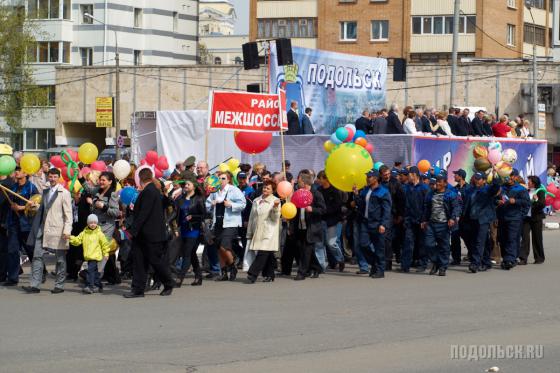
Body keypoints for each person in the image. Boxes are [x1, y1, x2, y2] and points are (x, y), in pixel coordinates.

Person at [124, 168, 175, 298]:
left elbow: (143, 214)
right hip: (146, 234)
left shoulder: (149, 192)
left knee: (155, 261)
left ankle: (168, 283)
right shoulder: (153, 191)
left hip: (150, 234)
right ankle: (138, 289)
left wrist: (132, 231)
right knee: (140, 262)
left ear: (140, 179)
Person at [23, 168, 73, 294]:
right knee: (37, 256)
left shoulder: (65, 193)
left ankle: (59, 285)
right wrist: (37, 206)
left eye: (55, 177)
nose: (52, 179)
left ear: (59, 177)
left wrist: (67, 231)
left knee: (60, 259)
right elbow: (46, 208)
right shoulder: (45, 191)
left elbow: (68, 214)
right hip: (43, 229)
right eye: (50, 176)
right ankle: (35, 285)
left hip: (58, 230)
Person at [206, 171, 246, 281]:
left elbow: (243, 204)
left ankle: (232, 267)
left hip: (231, 222)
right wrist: (212, 203)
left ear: (228, 180)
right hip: (217, 223)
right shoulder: (215, 191)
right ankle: (223, 272)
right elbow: (207, 204)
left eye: (223, 178)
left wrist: (231, 204)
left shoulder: (234, 190)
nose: (221, 180)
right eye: (219, 178)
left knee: (224, 246)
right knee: (218, 248)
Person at [354, 169, 391, 278]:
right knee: (363, 244)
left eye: (369, 177)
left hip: (377, 224)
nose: (367, 179)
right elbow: (361, 205)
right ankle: (375, 263)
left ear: (375, 178)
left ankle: (380, 271)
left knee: (379, 248)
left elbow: (386, 210)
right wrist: (356, 195)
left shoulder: (383, 191)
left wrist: (383, 224)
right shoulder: (366, 190)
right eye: (367, 176)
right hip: (365, 222)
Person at [4, 167, 38, 286]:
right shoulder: (13, 187)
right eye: (16, 171)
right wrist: (12, 207)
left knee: (31, 250)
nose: (16, 172)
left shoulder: (31, 188)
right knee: (12, 250)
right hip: (14, 223)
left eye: (19, 171)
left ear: (25, 173)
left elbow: (36, 205)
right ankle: (13, 278)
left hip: (26, 224)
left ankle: (40, 272)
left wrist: (22, 208)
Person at [462, 172, 501, 273]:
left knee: (479, 241)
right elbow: (466, 203)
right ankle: (486, 262)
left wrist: (496, 175)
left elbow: (496, 187)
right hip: (471, 219)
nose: (476, 180)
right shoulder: (470, 189)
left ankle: (475, 263)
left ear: (484, 180)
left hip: (483, 219)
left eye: (479, 179)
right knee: (482, 241)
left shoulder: (488, 189)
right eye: (475, 178)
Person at [422, 175, 460, 276]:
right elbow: (427, 208)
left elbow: (456, 207)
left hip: (444, 224)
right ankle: (436, 262)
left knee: (444, 247)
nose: (437, 184)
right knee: (428, 244)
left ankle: (442, 267)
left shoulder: (451, 194)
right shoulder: (430, 194)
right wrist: (424, 220)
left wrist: (452, 218)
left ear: (445, 183)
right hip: (431, 224)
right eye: (436, 182)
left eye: (440, 182)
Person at [290, 173, 326, 280]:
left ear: (304, 183)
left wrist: (312, 209)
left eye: (299, 181)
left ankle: (302, 272)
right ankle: (316, 267)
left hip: (311, 228)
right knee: (303, 250)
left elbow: (323, 210)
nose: (297, 182)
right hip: (300, 227)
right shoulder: (297, 193)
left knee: (306, 250)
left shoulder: (316, 194)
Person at [170, 179, 206, 287]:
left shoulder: (199, 199)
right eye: (185, 184)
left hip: (194, 230)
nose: (186, 186)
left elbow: (204, 215)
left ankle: (179, 279)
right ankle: (198, 276)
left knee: (187, 253)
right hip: (183, 229)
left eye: (188, 184)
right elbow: (175, 213)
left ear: (194, 186)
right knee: (191, 254)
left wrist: (193, 217)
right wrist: (167, 221)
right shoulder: (180, 199)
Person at [246, 180, 281, 283]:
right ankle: (270, 274)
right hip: (257, 229)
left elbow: (275, 218)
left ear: (272, 191)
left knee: (263, 252)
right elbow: (252, 217)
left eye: (268, 188)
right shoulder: (257, 200)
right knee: (268, 253)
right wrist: (249, 231)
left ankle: (253, 273)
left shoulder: (275, 201)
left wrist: (275, 207)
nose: (265, 189)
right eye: (264, 187)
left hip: (269, 231)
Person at [496, 169, 530, 270]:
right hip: (502, 217)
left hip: (515, 218)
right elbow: (494, 199)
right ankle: (509, 258)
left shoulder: (520, 189)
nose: (509, 178)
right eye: (507, 175)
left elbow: (526, 203)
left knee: (512, 238)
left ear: (515, 177)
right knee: (503, 239)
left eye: (511, 175)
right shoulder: (501, 188)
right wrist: (498, 202)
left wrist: (516, 201)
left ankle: (509, 259)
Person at [69, 214, 110, 294]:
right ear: (88, 223)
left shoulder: (99, 233)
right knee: (95, 272)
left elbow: (105, 244)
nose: (93, 224)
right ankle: (98, 285)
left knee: (90, 271)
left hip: (95, 256)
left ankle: (90, 286)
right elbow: (77, 240)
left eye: (95, 222)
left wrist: (106, 253)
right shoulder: (84, 233)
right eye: (91, 222)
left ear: (97, 223)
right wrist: (70, 238)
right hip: (88, 256)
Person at [400, 166, 430, 273]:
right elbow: (404, 204)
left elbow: (427, 205)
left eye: (409, 174)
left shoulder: (424, 188)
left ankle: (422, 264)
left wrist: (424, 219)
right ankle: (405, 265)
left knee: (422, 243)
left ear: (414, 175)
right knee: (408, 242)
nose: (408, 176)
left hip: (421, 221)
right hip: (409, 220)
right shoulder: (406, 187)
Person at [317, 171, 345, 272]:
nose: (318, 180)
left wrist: (325, 210)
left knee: (331, 243)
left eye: (320, 178)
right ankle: (322, 265)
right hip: (321, 220)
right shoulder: (319, 190)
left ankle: (340, 259)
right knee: (320, 244)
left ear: (326, 179)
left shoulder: (334, 191)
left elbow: (337, 206)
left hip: (333, 221)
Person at [380, 165, 405, 271]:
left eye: (388, 174)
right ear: (381, 175)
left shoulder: (395, 183)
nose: (387, 176)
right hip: (378, 213)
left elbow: (401, 200)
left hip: (390, 213)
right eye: (385, 175)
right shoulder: (377, 182)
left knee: (387, 238)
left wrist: (400, 214)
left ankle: (388, 261)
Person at [519, 176, 546, 265]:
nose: (528, 182)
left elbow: (542, 204)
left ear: (534, 183)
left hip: (536, 218)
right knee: (525, 238)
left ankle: (539, 257)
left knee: (537, 238)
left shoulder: (540, 191)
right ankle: (523, 258)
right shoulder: (526, 191)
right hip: (526, 218)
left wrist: (536, 199)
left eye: (530, 181)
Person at [450, 169, 467, 265]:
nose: (454, 176)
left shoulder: (468, 188)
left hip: (466, 219)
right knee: (454, 238)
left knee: (468, 239)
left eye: (456, 174)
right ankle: (456, 259)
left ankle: (473, 257)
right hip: (456, 218)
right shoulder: (454, 189)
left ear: (460, 176)